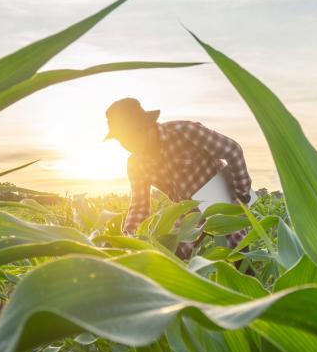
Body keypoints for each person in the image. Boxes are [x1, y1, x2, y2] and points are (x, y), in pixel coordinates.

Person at [103, 97, 252, 256]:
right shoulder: (136, 163)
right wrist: (131, 241)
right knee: (174, 257)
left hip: (220, 199)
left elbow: (233, 150)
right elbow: (139, 206)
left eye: (127, 139)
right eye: (121, 140)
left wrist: (242, 195)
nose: (126, 146)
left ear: (144, 127)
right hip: (187, 211)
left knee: (237, 252)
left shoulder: (185, 132)